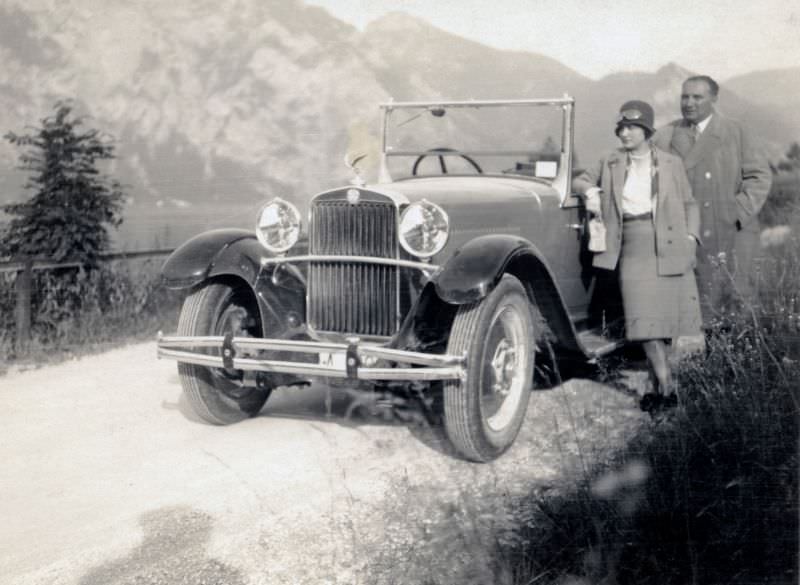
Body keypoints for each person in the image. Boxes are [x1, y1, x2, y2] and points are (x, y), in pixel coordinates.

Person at [574, 100, 702, 411]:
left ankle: (655, 385)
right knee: (642, 320)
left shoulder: (670, 163)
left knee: (665, 322)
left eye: (631, 127)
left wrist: (691, 237)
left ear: (646, 131)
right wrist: (590, 192)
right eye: (621, 128)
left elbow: (690, 203)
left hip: (670, 244)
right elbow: (579, 179)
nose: (624, 133)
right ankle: (668, 385)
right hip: (631, 245)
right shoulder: (611, 161)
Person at [653, 75, 772, 326]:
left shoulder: (736, 132)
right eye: (685, 97)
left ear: (714, 99)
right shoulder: (666, 135)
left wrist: (734, 213)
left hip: (734, 231)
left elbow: (759, 177)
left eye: (697, 97)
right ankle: (705, 360)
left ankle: (735, 363)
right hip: (689, 232)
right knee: (700, 302)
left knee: (737, 300)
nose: (689, 103)